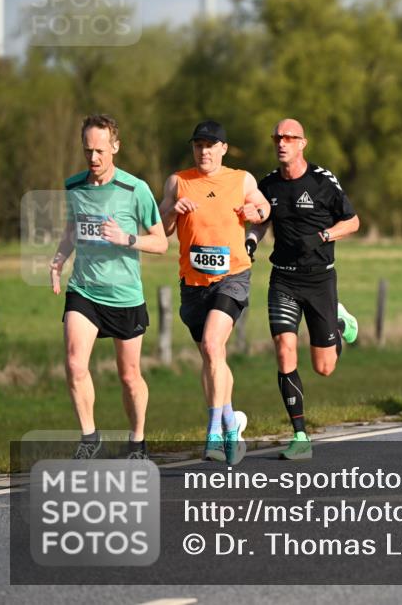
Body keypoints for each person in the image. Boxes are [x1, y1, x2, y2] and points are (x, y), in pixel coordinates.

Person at [49, 114, 168, 460]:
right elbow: (72, 230)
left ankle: (137, 440)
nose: (94, 158)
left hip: (125, 296)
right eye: (88, 151)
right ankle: (89, 436)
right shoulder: (74, 186)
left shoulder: (136, 189)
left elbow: (160, 243)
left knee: (129, 376)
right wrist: (58, 259)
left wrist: (126, 238)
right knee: (74, 364)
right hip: (84, 290)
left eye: (100, 150)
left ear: (115, 146)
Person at [245, 119, 360, 460]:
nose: (282, 143)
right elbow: (260, 222)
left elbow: (352, 221)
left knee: (324, 367)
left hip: (320, 279)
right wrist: (251, 242)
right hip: (283, 279)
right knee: (284, 349)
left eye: (289, 138)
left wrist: (323, 235)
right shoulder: (267, 185)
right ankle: (299, 435)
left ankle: (337, 323)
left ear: (302, 143)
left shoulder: (323, 182)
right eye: (278, 137)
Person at [159, 120, 270, 465]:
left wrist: (256, 213)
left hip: (232, 277)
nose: (204, 152)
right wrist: (170, 211)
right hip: (193, 284)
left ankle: (213, 432)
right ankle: (231, 420)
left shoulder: (242, 179)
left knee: (211, 344)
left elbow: (265, 211)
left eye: (211, 145)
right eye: (198, 146)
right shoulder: (179, 182)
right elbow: (160, 232)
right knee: (212, 356)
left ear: (223, 148)